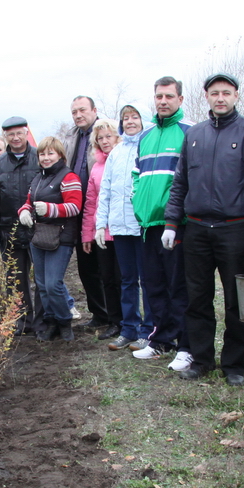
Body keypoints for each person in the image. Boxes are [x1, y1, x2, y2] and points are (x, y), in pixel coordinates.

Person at [164, 73, 244, 386]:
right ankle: (202, 359)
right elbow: (180, 181)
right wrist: (172, 222)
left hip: (234, 228)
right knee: (197, 297)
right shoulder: (195, 134)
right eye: (215, 93)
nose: (220, 98)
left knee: (234, 299)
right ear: (207, 97)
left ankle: (234, 364)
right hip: (197, 228)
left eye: (226, 93)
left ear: (236, 95)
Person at [132, 77, 193, 371]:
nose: (163, 101)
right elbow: (136, 175)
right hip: (148, 224)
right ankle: (160, 339)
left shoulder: (189, 133)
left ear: (180, 99)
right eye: (159, 96)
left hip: (176, 223)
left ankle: (185, 345)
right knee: (153, 285)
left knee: (178, 285)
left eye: (169, 96)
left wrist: (176, 213)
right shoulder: (145, 136)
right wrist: (137, 203)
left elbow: (190, 179)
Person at [96, 105, 152, 351]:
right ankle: (129, 328)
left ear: (142, 120)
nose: (130, 122)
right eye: (125, 118)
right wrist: (101, 224)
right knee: (127, 280)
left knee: (148, 279)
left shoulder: (149, 146)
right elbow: (105, 189)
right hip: (119, 227)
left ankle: (148, 330)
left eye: (134, 117)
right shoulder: (117, 152)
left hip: (142, 225)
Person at [18, 137, 82, 341]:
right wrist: (23, 211)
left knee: (54, 284)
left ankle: (64, 321)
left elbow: (75, 207)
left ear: (60, 155)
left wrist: (50, 209)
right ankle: (52, 321)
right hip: (38, 236)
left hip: (60, 237)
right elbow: (29, 202)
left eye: (50, 153)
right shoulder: (38, 178)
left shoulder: (69, 177)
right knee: (42, 285)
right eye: (42, 154)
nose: (46, 158)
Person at [62, 96, 114, 331]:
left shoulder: (105, 133)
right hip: (78, 206)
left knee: (106, 266)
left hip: (102, 206)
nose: (78, 115)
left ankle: (114, 314)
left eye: (82, 110)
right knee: (85, 265)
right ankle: (98, 313)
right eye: (74, 112)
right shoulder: (72, 137)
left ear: (94, 110)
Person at [0, 117, 43, 334]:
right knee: (15, 279)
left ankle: (42, 321)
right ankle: (21, 321)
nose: (16, 138)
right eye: (11, 134)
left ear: (27, 132)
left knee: (41, 279)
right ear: (5, 137)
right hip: (8, 229)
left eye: (19, 133)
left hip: (37, 229)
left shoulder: (40, 157)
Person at [81, 118, 123, 341]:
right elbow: (91, 202)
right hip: (101, 232)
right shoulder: (97, 167)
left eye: (109, 136)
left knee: (123, 278)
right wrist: (87, 233)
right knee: (107, 278)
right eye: (101, 138)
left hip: (124, 231)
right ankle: (114, 321)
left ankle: (130, 321)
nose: (105, 141)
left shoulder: (126, 159)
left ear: (117, 137)